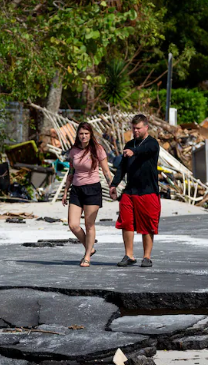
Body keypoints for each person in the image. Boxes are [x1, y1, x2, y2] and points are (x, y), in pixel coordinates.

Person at [109, 114, 160, 267]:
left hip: (148, 190)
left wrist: (134, 152)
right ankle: (129, 255)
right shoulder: (129, 144)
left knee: (147, 225)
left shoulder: (152, 143)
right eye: (133, 128)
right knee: (126, 223)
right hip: (130, 191)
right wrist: (114, 184)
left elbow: (145, 149)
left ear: (146, 127)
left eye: (138, 128)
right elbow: (122, 167)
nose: (135, 131)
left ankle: (147, 257)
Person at [62, 122, 114, 267]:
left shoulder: (98, 150)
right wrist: (65, 191)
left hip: (92, 189)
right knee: (73, 225)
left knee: (89, 224)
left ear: (90, 135)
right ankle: (90, 248)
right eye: (81, 133)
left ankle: (86, 256)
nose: (83, 136)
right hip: (76, 190)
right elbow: (71, 172)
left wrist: (112, 187)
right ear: (77, 135)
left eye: (86, 133)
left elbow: (106, 172)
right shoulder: (73, 151)